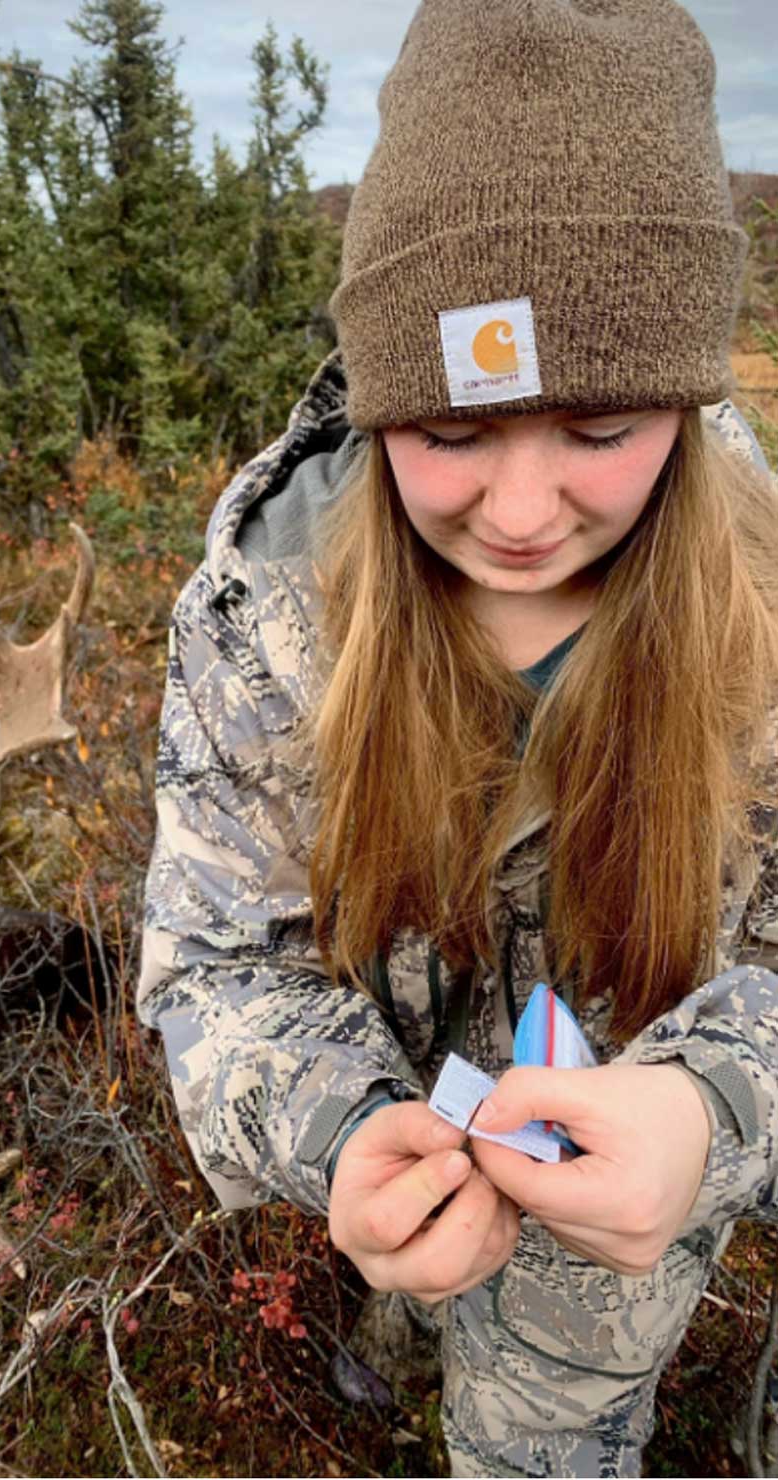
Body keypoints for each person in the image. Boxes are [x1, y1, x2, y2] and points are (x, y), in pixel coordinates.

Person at [138, 1, 778, 1474]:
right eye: (451, 430)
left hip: (619, 1252)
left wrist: (709, 1112)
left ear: (683, 398)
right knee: (409, 1324)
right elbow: (217, 957)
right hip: (404, 1187)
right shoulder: (265, 610)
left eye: (601, 426)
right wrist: (342, 1137)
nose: (519, 510)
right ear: (379, 400)